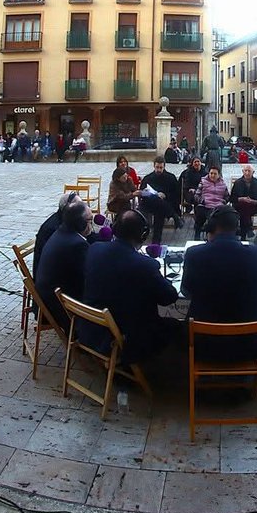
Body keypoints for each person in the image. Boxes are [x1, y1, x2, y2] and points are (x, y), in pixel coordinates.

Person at [79, 211, 179, 364]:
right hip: (122, 338)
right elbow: (169, 297)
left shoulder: (94, 249)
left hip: (91, 329)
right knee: (177, 326)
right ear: (143, 236)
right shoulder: (145, 265)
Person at [181, 205, 257, 362]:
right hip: (249, 344)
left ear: (211, 227)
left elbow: (186, 290)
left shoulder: (194, 255)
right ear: (237, 227)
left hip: (203, 343)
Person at [35, 199, 92, 331]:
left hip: (50, 297)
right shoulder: (77, 244)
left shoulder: (62, 232)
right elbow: (88, 276)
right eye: (90, 220)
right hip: (61, 309)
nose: (92, 224)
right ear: (81, 223)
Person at [139, 156, 182, 243]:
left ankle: (156, 241)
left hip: (166, 204)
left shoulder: (170, 178)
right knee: (157, 200)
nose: (159, 170)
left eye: (161, 167)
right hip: (150, 204)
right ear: (154, 166)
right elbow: (142, 193)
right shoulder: (148, 178)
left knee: (159, 209)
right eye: (157, 167)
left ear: (164, 167)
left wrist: (165, 195)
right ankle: (174, 216)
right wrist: (152, 194)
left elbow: (176, 194)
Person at [230, 164, 257, 241]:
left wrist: (253, 201)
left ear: (253, 172)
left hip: (254, 206)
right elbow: (232, 198)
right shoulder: (238, 183)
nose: (247, 173)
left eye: (249, 171)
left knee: (246, 207)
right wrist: (241, 199)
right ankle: (249, 229)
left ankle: (243, 233)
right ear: (242, 172)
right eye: (245, 171)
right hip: (240, 206)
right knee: (244, 206)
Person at [192, 165, 229, 240]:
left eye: (215, 174)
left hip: (218, 206)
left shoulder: (223, 184)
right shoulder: (203, 182)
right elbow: (197, 195)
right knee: (200, 212)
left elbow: (227, 196)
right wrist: (202, 201)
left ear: (218, 175)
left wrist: (223, 202)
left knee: (218, 216)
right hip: (205, 205)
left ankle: (212, 236)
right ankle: (197, 235)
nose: (212, 175)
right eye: (211, 173)